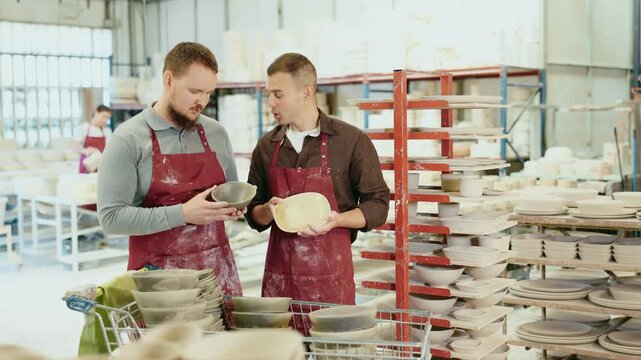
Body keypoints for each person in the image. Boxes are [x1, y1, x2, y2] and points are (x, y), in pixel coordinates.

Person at [97, 42, 243, 296]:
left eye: (208, 93)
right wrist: (183, 214)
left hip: (216, 277)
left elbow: (232, 194)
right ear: (168, 80)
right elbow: (111, 218)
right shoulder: (128, 139)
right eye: (195, 91)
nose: (202, 102)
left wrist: (240, 207)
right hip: (159, 285)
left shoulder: (216, 133)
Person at [246, 53, 390, 304]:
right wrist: (268, 211)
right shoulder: (267, 146)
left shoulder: (349, 141)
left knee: (330, 343)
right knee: (282, 344)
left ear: (306, 92)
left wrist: (336, 221)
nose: (270, 103)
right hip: (280, 283)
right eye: (268, 94)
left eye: (278, 94)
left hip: (331, 280)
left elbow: (377, 205)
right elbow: (253, 214)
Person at [75, 105, 112, 173]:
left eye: (107, 118)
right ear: (96, 112)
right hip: (86, 165)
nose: (105, 120)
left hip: (101, 166)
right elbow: (76, 149)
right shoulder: (84, 127)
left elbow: (109, 150)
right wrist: (87, 150)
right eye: (103, 116)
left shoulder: (106, 131)